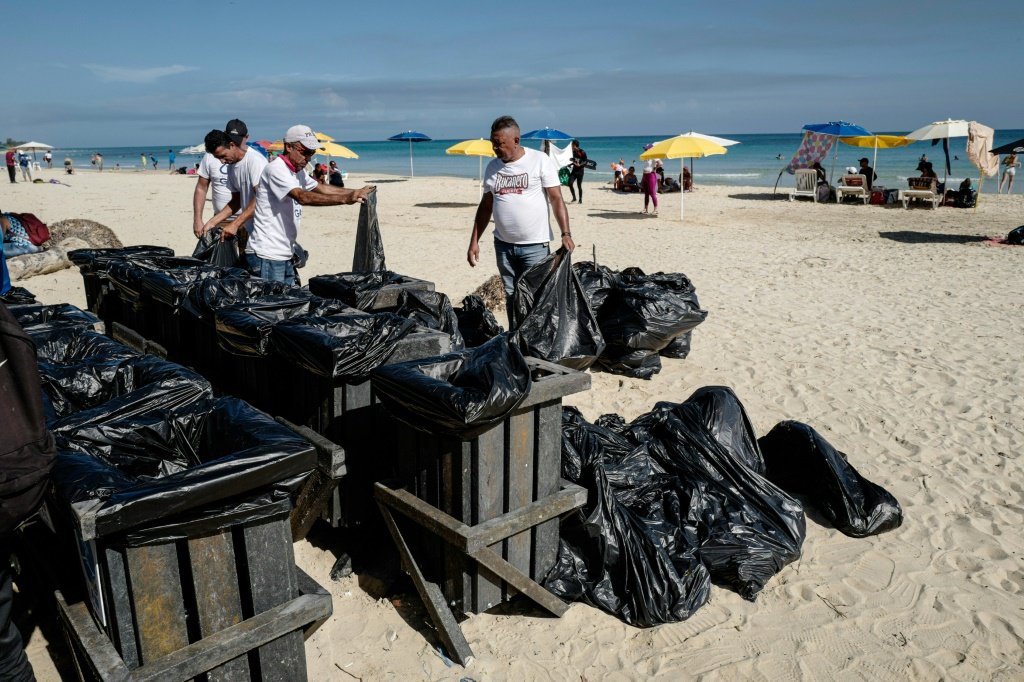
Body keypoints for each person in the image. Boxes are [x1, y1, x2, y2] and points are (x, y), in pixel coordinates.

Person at [466, 115, 573, 320]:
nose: (495, 149)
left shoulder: (539, 161)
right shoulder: (492, 167)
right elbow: (485, 207)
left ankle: (536, 343)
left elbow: (556, 199)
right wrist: (474, 242)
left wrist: (565, 233)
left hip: (535, 246)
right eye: (493, 144)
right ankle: (516, 338)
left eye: (499, 144)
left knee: (537, 296)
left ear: (516, 140)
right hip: (504, 246)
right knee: (512, 295)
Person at [249, 124, 373, 284]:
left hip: (285, 251)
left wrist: (355, 192)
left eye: (311, 153)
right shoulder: (276, 169)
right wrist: (346, 199)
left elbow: (321, 188)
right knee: (272, 305)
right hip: (269, 255)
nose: (307, 157)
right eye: (304, 152)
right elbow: (302, 197)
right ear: (288, 147)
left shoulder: (296, 171)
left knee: (289, 304)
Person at [198, 124, 269, 249]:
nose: (222, 161)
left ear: (231, 145)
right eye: (217, 158)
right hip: (249, 226)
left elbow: (262, 199)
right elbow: (236, 201)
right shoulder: (232, 166)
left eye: (223, 156)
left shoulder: (255, 161)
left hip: (264, 231)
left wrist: (235, 223)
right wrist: (212, 222)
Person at [193, 119, 246, 238]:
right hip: (220, 219)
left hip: (247, 220)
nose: (222, 161)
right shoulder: (211, 156)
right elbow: (201, 188)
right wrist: (197, 219)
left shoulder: (250, 159)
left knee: (246, 256)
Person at [567, 139, 587, 204]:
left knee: (579, 186)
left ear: (575, 145)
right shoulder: (574, 152)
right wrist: (571, 163)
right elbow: (575, 160)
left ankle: (580, 199)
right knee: (570, 183)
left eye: (572, 145)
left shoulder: (582, 152)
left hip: (580, 172)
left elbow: (585, 162)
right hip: (574, 171)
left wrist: (580, 165)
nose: (571, 146)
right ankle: (574, 198)